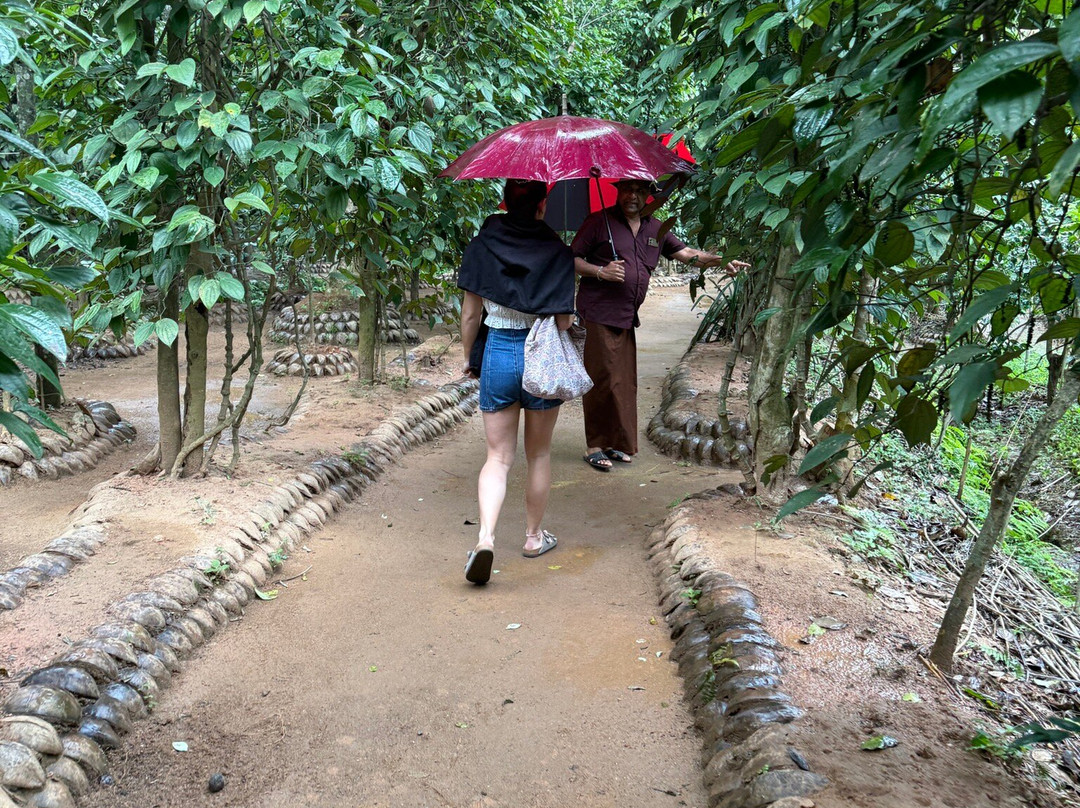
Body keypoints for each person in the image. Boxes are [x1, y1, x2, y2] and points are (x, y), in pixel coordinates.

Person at [571, 178, 749, 472]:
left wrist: (721, 260)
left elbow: (688, 254)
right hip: (598, 313)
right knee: (603, 378)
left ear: (650, 196)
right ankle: (594, 445)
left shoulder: (657, 228)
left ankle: (616, 442)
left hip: (627, 316)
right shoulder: (598, 222)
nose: (633, 196)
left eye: (641, 191)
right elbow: (572, 259)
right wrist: (600, 271)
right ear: (617, 190)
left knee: (624, 381)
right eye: (627, 189)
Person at [457, 180, 576, 585]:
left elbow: (472, 316)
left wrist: (469, 357)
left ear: (504, 203)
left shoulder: (481, 245)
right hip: (541, 357)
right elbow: (564, 321)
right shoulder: (559, 252)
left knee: (497, 458)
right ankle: (532, 537)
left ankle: (486, 538)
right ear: (543, 206)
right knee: (539, 455)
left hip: (499, 353)